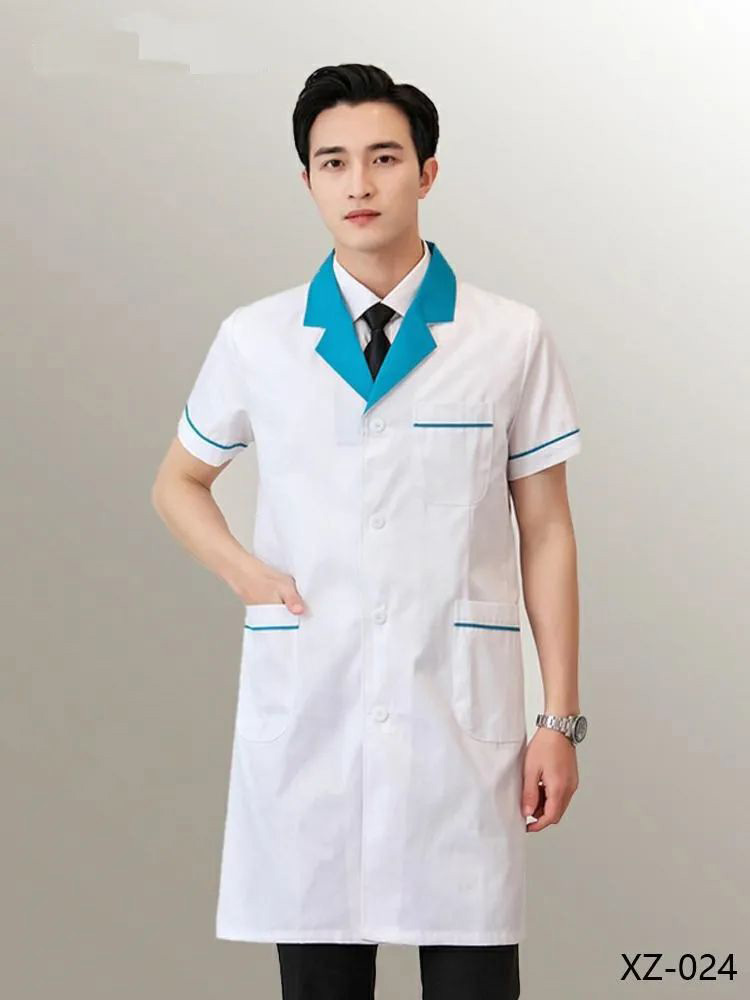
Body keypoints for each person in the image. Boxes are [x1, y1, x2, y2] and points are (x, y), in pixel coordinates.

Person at [152, 62, 587, 1000]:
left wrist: (559, 720)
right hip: (312, 704)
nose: (358, 183)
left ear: (426, 172)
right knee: (320, 979)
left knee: (473, 978)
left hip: (458, 722)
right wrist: (245, 574)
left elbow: (547, 530)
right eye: (332, 162)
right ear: (306, 180)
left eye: (384, 158)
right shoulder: (257, 338)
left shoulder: (508, 336)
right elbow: (179, 482)